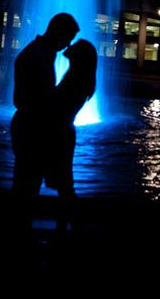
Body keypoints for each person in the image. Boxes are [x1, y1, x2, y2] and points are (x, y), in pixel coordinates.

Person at [11, 12, 79, 228]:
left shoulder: (39, 53)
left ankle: (20, 227)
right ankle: (20, 230)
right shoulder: (37, 56)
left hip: (30, 127)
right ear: (58, 33)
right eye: (68, 38)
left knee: (27, 183)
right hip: (31, 130)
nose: (68, 45)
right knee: (27, 184)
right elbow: (22, 100)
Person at [45, 38, 98, 231]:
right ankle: (69, 224)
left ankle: (73, 225)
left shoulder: (76, 79)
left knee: (64, 184)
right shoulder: (79, 77)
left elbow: (57, 105)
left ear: (80, 56)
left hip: (60, 134)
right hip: (64, 133)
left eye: (74, 45)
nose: (69, 46)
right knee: (64, 183)